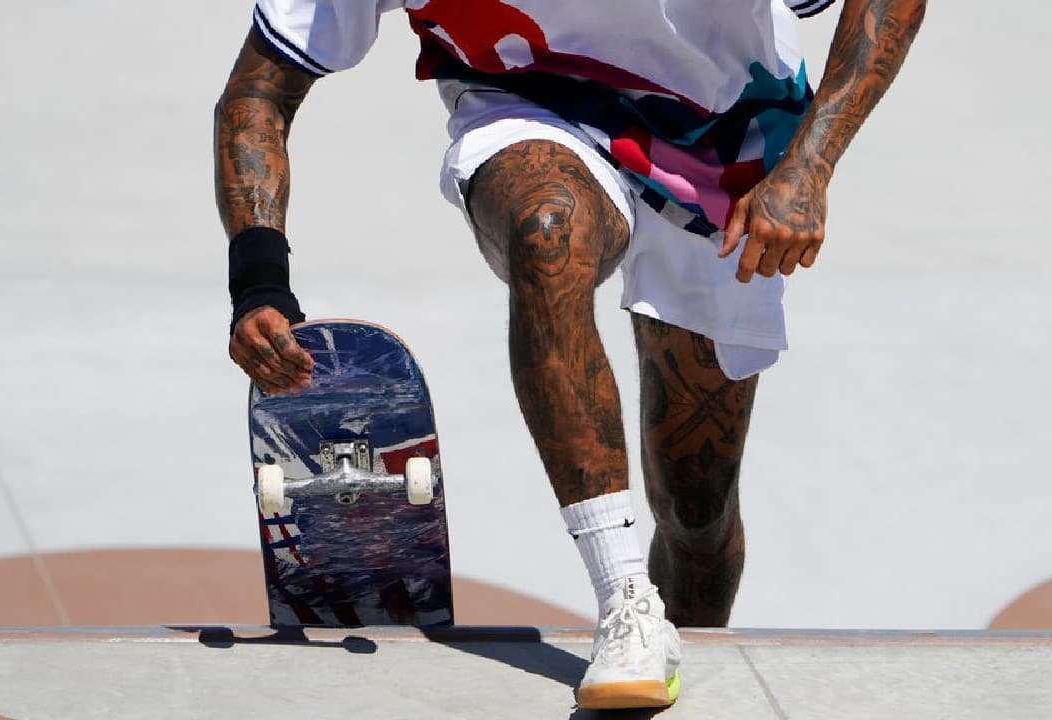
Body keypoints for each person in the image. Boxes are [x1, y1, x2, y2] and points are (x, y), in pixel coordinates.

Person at [216, 0, 925, 709]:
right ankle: (625, 601)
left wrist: (811, 163)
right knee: (545, 231)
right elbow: (258, 91)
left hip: (724, 132)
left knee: (696, 512)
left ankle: (682, 658)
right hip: (526, 104)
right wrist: (257, 281)